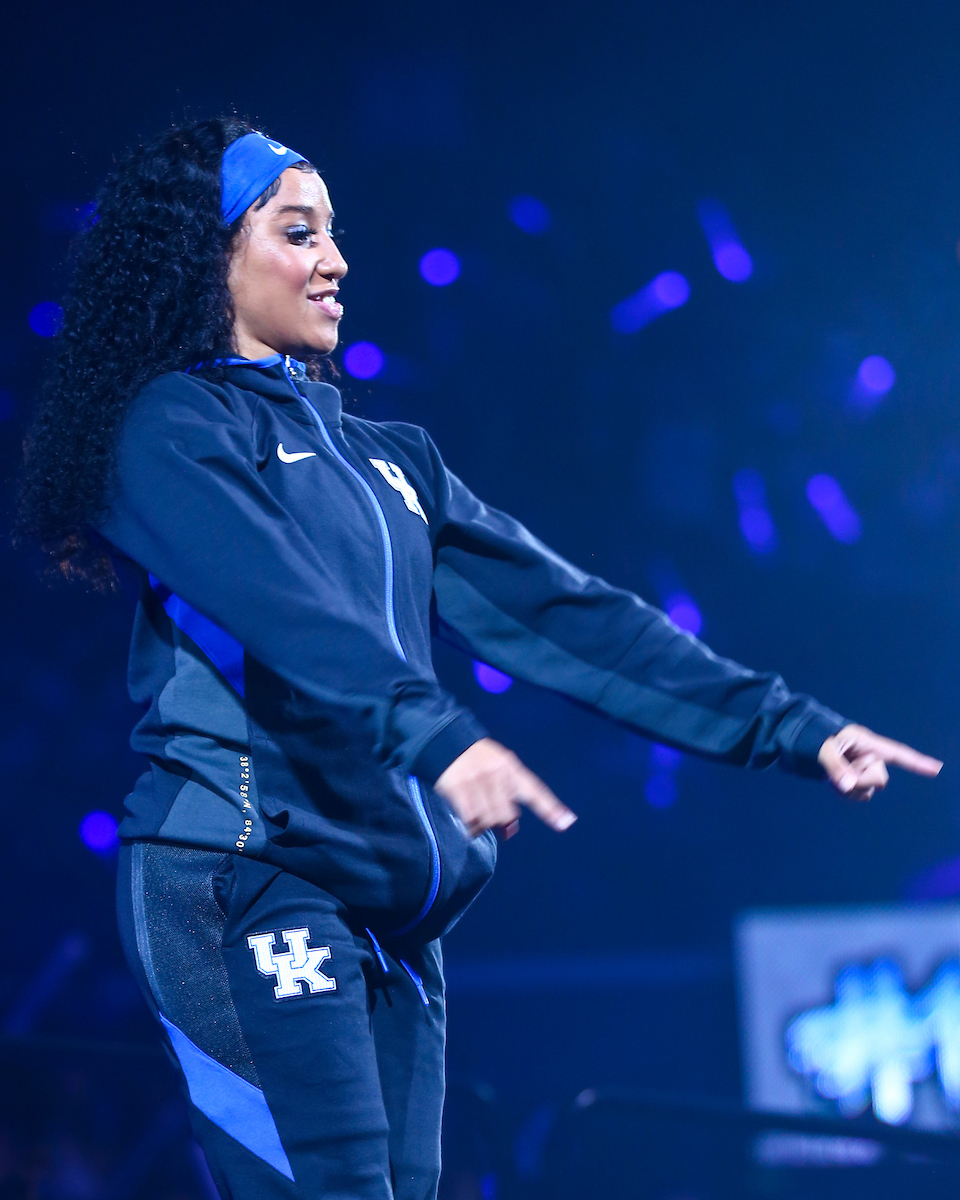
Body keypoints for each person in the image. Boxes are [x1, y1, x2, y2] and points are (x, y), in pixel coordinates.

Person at [15, 117, 941, 1200]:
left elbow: (567, 614)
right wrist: (439, 736)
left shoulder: (389, 460)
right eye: (298, 233)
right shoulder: (169, 430)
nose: (336, 261)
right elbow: (282, 602)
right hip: (247, 875)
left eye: (336, 234)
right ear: (207, 259)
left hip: (400, 908)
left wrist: (792, 723)